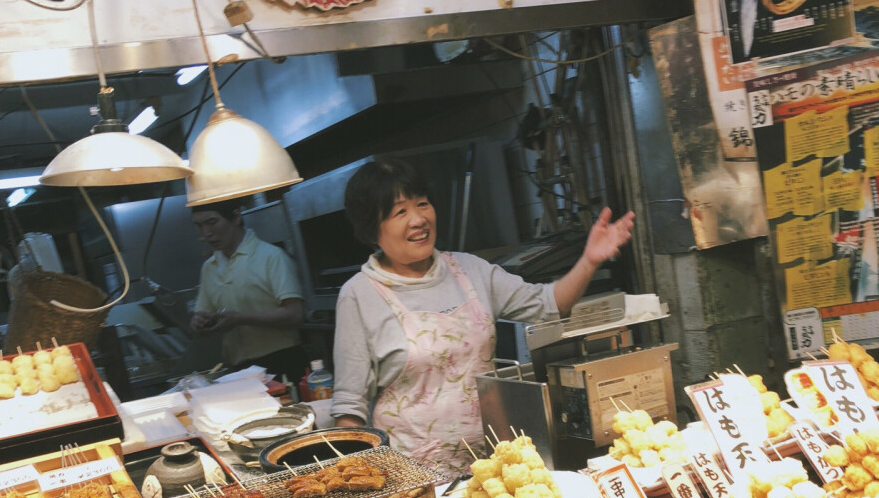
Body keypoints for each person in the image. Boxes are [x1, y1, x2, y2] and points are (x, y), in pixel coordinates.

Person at [331, 156, 634, 472]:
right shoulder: (359, 294)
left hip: (491, 460)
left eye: (422, 204)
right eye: (399, 212)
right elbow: (349, 406)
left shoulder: (470, 270)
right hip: (411, 472)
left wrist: (589, 260)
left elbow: (549, 305)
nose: (418, 219)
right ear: (371, 228)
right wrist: (350, 476)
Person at [190, 201, 307, 382]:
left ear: (236, 217)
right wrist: (200, 324)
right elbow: (203, 317)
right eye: (199, 226)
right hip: (239, 370)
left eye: (212, 222)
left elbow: (295, 314)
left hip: (281, 362)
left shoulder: (271, 257)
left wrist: (241, 319)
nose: (206, 233)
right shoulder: (209, 267)